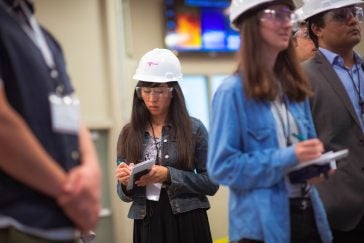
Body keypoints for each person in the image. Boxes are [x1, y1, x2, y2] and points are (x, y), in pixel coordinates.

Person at [207, 0, 332, 242]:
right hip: (261, 228)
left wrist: (317, 166)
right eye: (277, 14)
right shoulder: (232, 92)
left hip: (308, 215)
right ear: (250, 24)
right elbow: (222, 167)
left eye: (289, 16)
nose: (287, 23)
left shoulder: (295, 89)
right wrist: (289, 157)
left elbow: (304, 150)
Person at [0, 0, 101, 242]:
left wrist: (91, 171)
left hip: (62, 226)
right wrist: (69, 192)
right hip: (15, 223)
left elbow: (71, 110)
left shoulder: (44, 37)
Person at [116, 48, 218, 243]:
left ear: (173, 92)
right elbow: (123, 195)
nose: (152, 99)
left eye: (159, 91)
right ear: (139, 93)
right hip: (147, 220)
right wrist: (124, 183)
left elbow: (212, 183)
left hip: (188, 218)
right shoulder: (128, 133)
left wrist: (169, 175)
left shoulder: (194, 128)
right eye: (146, 91)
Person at [301, 0, 364, 242]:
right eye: (340, 15)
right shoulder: (302, 79)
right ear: (317, 29)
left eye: (355, 13)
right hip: (337, 214)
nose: (352, 20)